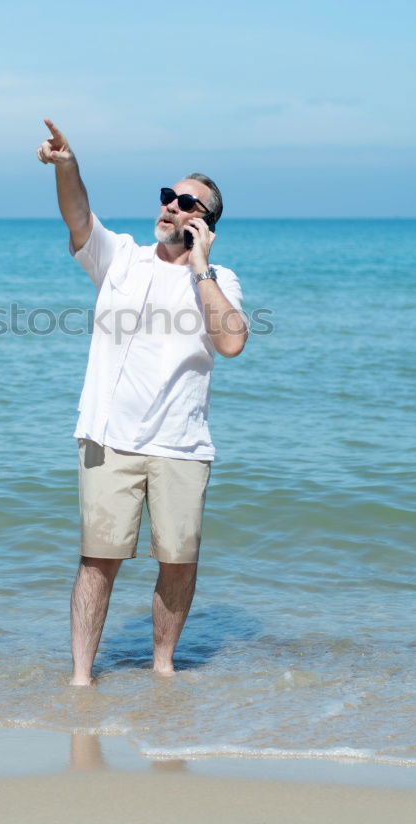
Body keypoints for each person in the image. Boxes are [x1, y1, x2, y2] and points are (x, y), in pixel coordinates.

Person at [36, 118, 249, 686]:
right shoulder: (121, 257)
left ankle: (162, 670)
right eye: (167, 197)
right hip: (109, 439)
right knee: (97, 561)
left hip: (182, 444)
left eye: (186, 203)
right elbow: (78, 217)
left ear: (204, 223)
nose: (170, 208)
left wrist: (200, 267)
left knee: (178, 564)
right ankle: (82, 678)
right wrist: (67, 165)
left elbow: (230, 343)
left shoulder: (219, 279)